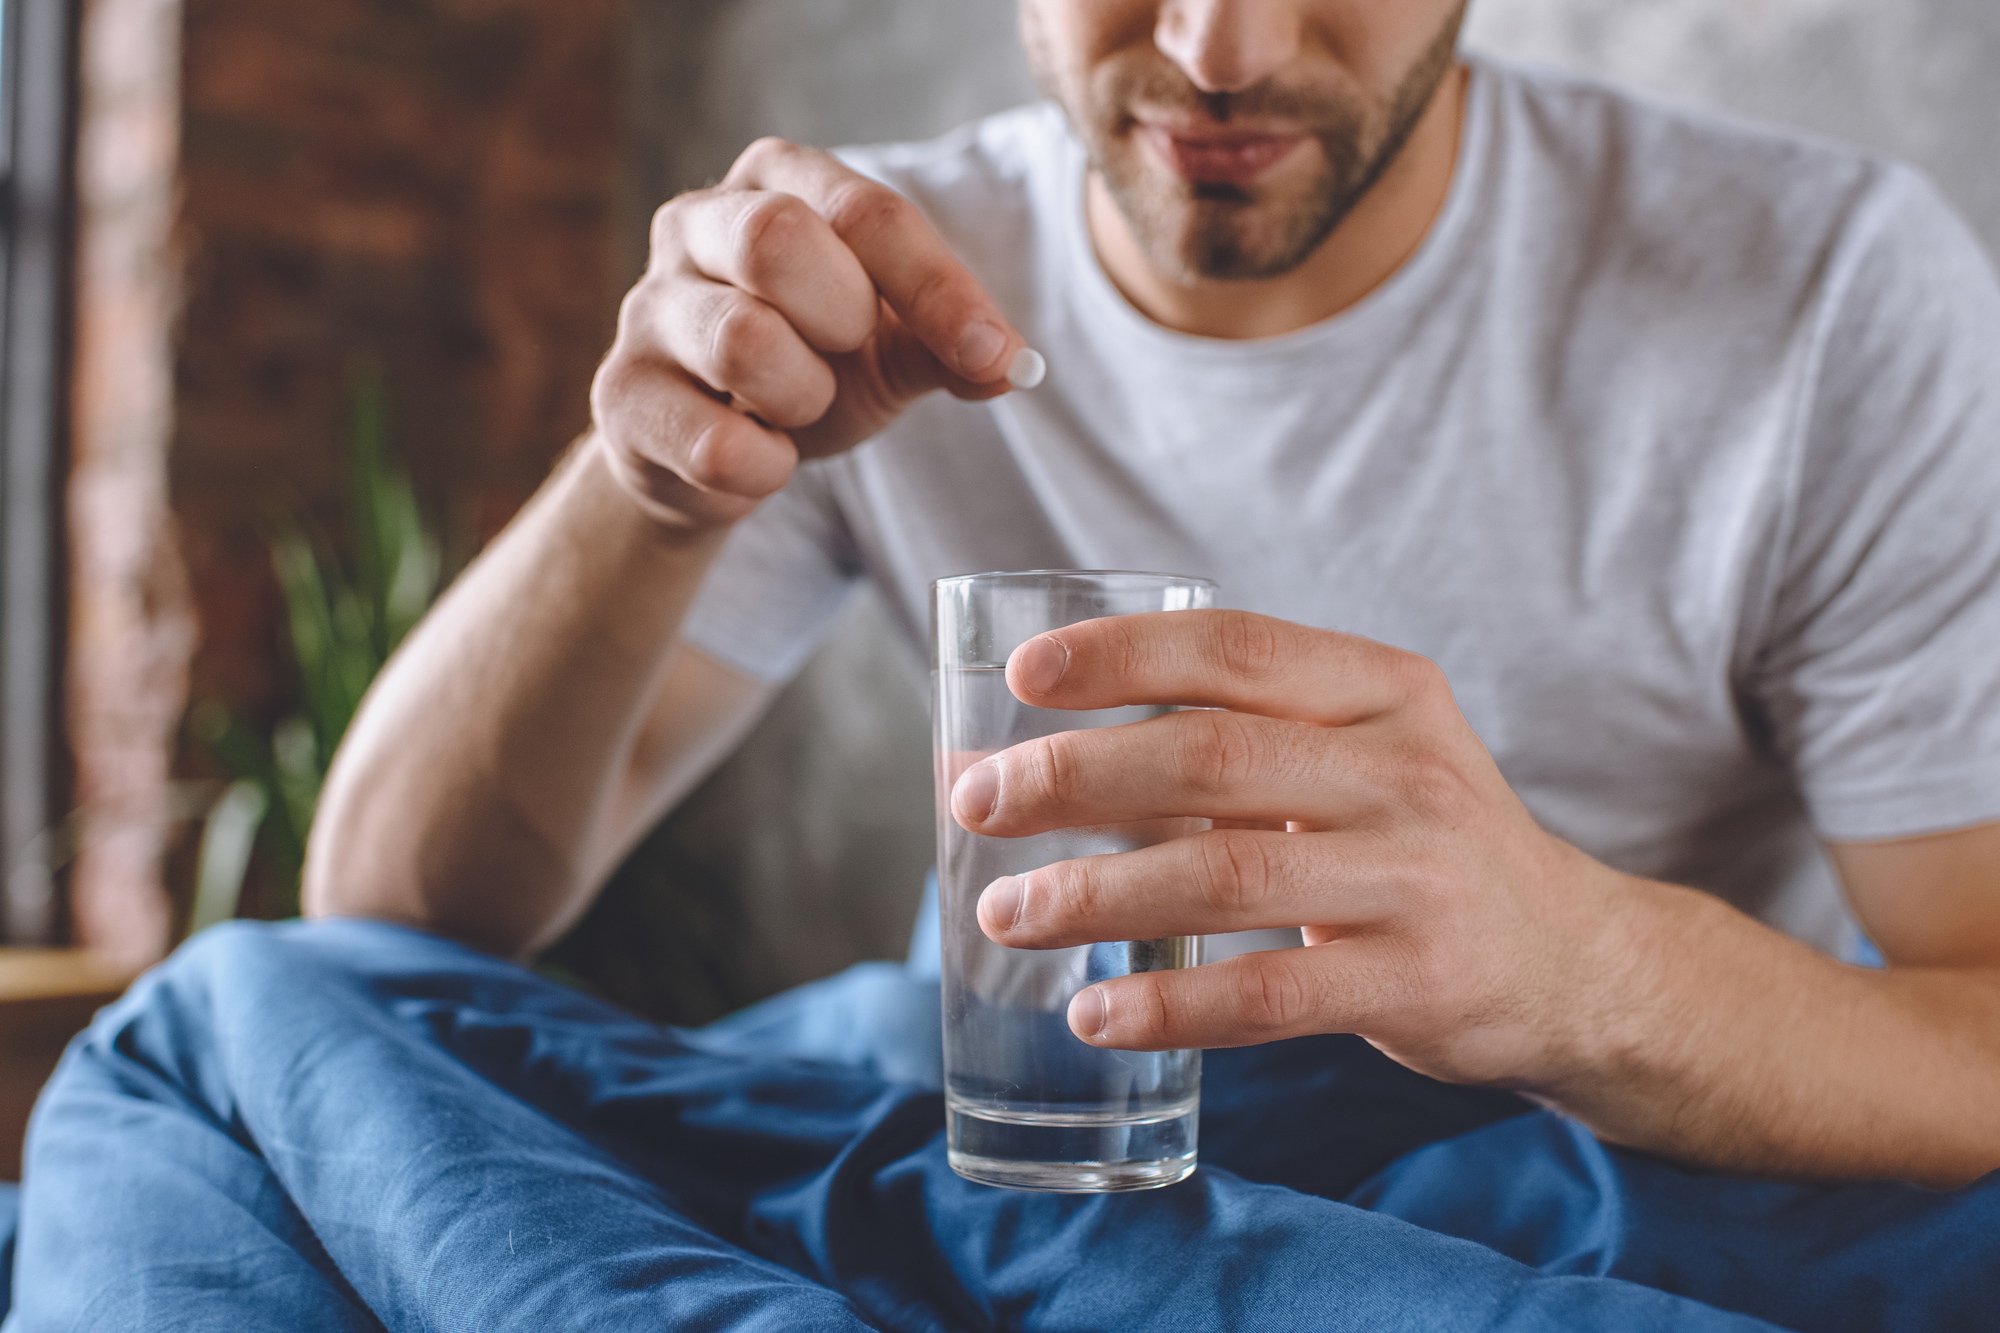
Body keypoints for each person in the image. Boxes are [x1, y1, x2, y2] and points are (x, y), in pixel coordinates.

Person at [306, 0, 2000, 1188]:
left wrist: (1577, 965)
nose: (1221, 50)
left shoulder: (1822, 296)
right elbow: (387, 912)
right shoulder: (866, 284)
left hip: (1572, 1178)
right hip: (1033, 1149)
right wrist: (646, 494)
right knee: (225, 1036)